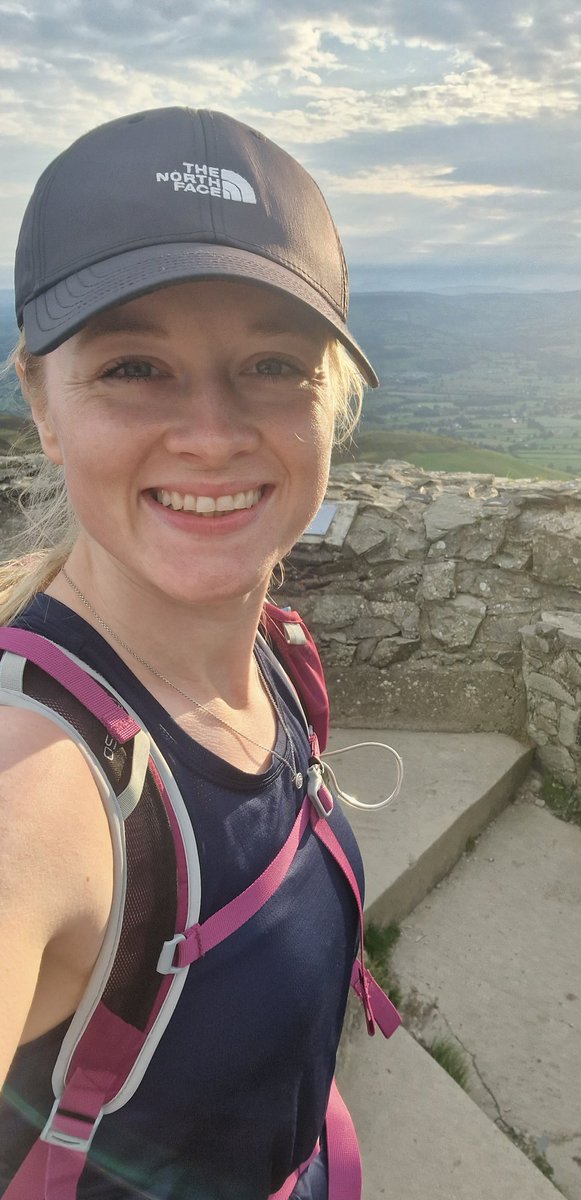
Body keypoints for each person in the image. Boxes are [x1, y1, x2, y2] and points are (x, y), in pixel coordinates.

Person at [0, 107, 379, 1199]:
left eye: (271, 363)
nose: (212, 432)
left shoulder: (270, 658)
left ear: (329, 408)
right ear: (43, 404)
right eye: (134, 368)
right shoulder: (34, 792)